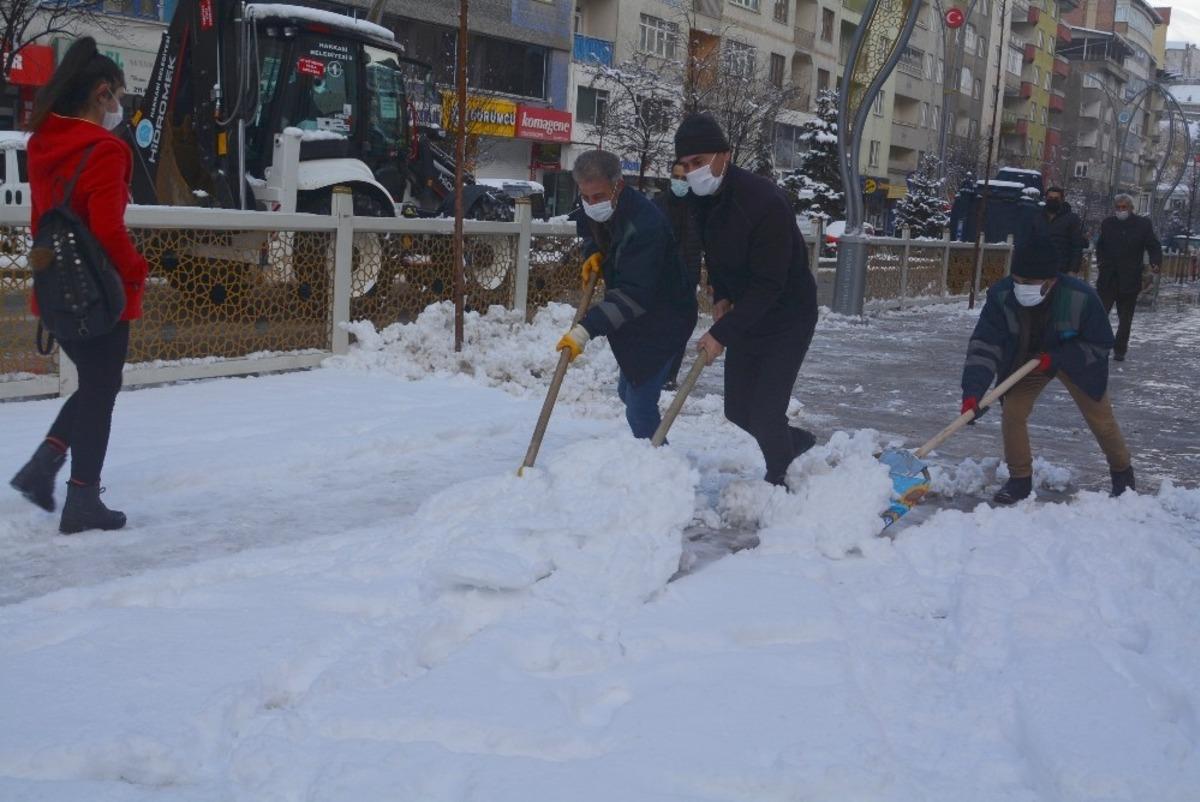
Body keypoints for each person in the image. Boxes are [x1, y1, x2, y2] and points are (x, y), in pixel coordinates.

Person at [9, 38, 148, 534]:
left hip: (56, 286)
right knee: (102, 388)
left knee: (96, 384)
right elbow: (108, 229)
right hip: (101, 290)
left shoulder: (43, 143)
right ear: (100, 92)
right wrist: (137, 270)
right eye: (118, 97)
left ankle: (45, 469)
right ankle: (80, 498)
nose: (119, 108)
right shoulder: (105, 150)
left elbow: (40, 219)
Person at [674, 113, 819, 487]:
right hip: (746, 314)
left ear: (725, 155)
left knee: (765, 414)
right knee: (738, 410)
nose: (692, 172)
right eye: (686, 165)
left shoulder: (763, 201)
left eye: (700, 161)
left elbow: (770, 284)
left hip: (787, 316)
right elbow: (717, 256)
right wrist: (721, 295)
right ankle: (794, 443)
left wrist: (722, 334)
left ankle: (780, 481)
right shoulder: (702, 200)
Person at [961, 232, 1134, 505]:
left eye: (1030, 283)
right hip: (1027, 363)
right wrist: (973, 392)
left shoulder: (1081, 298)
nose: (1021, 287)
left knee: (1101, 420)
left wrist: (1059, 357)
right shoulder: (1003, 296)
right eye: (1017, 280)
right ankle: (1019, 480)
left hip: (1077, 362)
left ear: (1052, 280)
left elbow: (1101, 344)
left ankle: (1123, 475)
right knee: (1013, 413)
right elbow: (985, 345)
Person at [556, 149, 697, 438]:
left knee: (639, 406)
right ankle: (653, 457)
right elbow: (589, 227)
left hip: (665, 318)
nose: (591, 204)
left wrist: (585, 330)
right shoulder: (594, 203)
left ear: (618, 185)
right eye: (585, 197)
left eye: (598, 196)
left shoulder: (647, 225)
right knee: (627, 391)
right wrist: (592, 251)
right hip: (636, 319)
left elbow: (634, 295)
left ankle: (659, 469)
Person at [653, 158, 703, 390]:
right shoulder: (658, 205)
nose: (680, 182)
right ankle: (656, 370)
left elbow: (707, 244)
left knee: (681, 327)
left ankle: (670, 374)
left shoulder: (698, 208)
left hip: (687, 278)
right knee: (659, 326)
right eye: (676, 177)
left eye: (684, 178)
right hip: (659, 277)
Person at [1095, 194, 1161, 362]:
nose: (1121, 210)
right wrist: (1102, 262)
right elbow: (1100, 245)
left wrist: (1155, 262)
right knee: (1101, 314)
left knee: (1125, 318)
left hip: (1130, 278)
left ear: (1131, 208)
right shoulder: (1108, 224)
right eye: (1118, 207)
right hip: (1108, 277)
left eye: (1124, 207)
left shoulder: (1142, 225)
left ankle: (1120, 349)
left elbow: (1153, 245)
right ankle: (1100, 345)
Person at [1040, 186, 1087, 275]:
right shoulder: (1038, 217)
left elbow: (1076, 246)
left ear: (1062, 200)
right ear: (1046, 199)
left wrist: (1073, 269)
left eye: (1056, 198)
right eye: (1050, 198)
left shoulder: (1072, 219)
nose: (1053, 200)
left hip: (1061, 269)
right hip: (1039, 267)